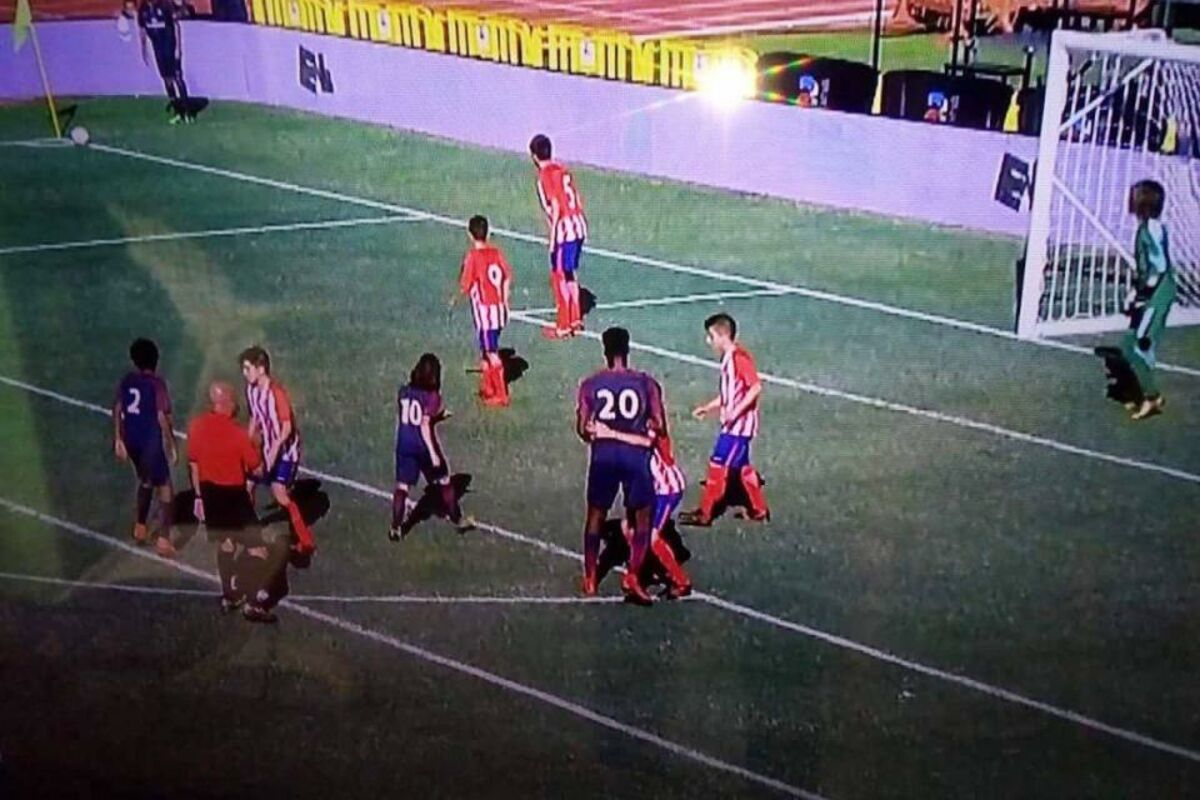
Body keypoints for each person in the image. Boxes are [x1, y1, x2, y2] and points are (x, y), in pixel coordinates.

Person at [576, 327, 664, 605]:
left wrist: (596, 430)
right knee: (643, 517)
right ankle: (634, 574)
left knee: (595, 515)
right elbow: (659, 424)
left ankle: (590, 577)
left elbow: (583, 429)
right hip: (635, 456)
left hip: (604, 455)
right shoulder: (646, 383)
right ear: (627, 349)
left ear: (604, 350)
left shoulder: (590, 384)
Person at [186, 380, 287, 623]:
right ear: (226, 403)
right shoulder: (237, 434)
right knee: (259, 550)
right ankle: (253, 604)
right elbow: (258, 469)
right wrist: (258, 444)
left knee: (226, 543)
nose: (236, 404)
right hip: (234, 496)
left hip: (210, 494)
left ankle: (229, 596)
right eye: (233, 400)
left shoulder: (197, 426)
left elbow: (193, 463)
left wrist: (199, 497)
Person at [681, 314, 770, 526]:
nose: (708, 341)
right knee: (743, 468)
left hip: (738, 428)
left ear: (723, 335)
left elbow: (755, 387)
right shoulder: (729, 359)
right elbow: (730, 395)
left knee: (717, 465)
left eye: (711, 336)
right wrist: (708, 407)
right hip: (735, 426)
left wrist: (735, 412)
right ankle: (759, 510)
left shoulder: (739, 358)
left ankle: (705, 514)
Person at [592, 423, 692, 599]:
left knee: (652, 537)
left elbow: (647, 442)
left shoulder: (644, 425)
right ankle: (637, 574)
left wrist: (611, 434)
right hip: (645, 488)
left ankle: (681, 581)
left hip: (666, 488)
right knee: (629, 529)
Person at [239, 346, 316, 554]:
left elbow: (287, 427)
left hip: (285, 452)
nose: (244, 374)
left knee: (280, 494)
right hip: (266, 448)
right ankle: (250, 529)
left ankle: (305, 539)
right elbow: (255, 417)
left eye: (247, 369)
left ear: (261, 369)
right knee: (247, 486)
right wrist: (247, 442)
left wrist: (274, 448)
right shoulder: (251, 391)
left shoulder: (276, 394)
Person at [391, 353, 475, 540]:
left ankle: (395, 528)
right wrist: (433, 454)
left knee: (402, 486)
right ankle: (458, 520)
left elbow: (413, 419)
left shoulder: (403, 392)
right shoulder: (433, 397)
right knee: (444, 481)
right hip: (422, 445)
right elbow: (423, 425)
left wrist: (437, 418)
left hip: (404, 444)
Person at [112, 337, 177, 558]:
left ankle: (140, 527)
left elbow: (118, 409)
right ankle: (164, 539)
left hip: (131, 440)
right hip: (149, 442)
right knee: (166, 487)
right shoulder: (156, 384)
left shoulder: (128, 380)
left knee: (146, 480)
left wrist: (118, 438)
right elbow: (162, 416)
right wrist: (172, 444)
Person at [1123, 179, 1176, 421]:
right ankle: (1144, 390)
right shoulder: (1154, 227)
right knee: (1138, 341)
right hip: (1157, 291)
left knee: (1136, 346)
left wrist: (1141, 293)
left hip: (1157, 294)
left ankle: (1151, 397)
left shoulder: (1148, 231)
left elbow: (1158, 267)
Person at [530, 133, 588, 339]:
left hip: (565, 229)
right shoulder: (563, 170)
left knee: (559, 274)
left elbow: (555, 205)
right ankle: (576, 319)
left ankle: (563, 324)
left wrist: (553, 235)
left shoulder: (544, 176)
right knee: (570, 272)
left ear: (534, 156)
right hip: (579, 225)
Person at [453, 215, 513, 407]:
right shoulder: (496, 253)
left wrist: (455, 297)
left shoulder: (473, 256)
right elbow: (507, 276)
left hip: (485, 312)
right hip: (498, 309)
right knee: (486, 348)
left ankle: (501, 394)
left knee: (491, 351)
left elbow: (466, 285)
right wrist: (504, 300)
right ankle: (488, 386)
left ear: (470, 234)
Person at [137, 0, 193, 124]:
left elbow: (176, 26)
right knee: (167, 80)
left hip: (170, 47)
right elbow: (142, 30)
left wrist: (178, 48)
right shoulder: (143, 10)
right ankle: (178, 111)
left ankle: (188, 112)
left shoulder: (164, 6)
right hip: (158, 50)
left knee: (177, 77)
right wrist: (143, 49)